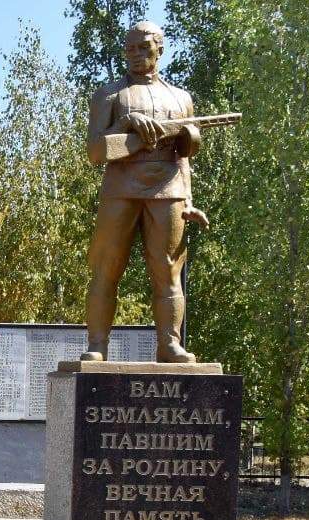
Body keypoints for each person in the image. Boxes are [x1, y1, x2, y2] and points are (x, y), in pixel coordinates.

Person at [82, 20, 208, 363]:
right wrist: (127, 123)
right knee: (106, 267)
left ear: (160, 50)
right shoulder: (109, 94)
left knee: (168, 271)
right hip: (120, 188)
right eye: (130, 49)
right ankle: (97, 345)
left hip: (169, 189)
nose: (136, 55)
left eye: (144, 48)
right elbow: (95, 152)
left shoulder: (181, 98)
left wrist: (189, 201)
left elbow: (184, 156)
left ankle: (169, 344)